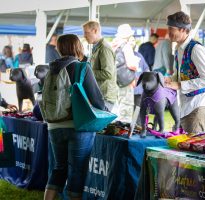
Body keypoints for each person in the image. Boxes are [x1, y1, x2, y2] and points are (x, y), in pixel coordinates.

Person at [43, 34, 107, 200]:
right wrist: (106, 114)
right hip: (77, 126)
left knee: (58, 168)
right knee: (77, 170)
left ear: (60, 49)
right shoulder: (81, 67)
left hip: (54, 125)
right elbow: (97, 98)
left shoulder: (51, 68)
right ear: (78, 47)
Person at [165, 11, 205, 134]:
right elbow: (179, 73)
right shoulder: (178, 49)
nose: (168, 32)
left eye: (171, 28)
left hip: (199, 107)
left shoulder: (196, 49)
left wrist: (180, 85)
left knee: (193, 149)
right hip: (185, 107)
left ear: (182, 30)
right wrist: (171, 79)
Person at [82, 20, 118, 112]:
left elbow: (108, 73)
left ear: (95, 31)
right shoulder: (97, 47)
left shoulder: (104, 48)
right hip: (99, 95)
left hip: (104, 97)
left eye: (86, 33)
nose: (84, 36)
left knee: (99, 126)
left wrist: (87, 72)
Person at [111, 24, 140, 123]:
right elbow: (132, 64)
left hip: (115, 80)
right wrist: (136, 63)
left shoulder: (113, 46)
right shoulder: (126, 46)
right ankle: (123, 129)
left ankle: (114, 129)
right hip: (126, 82)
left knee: (116, 107)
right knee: (126, 107)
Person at [129, 36, 150, 126]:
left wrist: (147, 79)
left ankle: (140, 127)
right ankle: (133, 127)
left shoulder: (138, 55)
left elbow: (146, 68)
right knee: (131, 111)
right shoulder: (122, 56)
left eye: (133, 40)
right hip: (128, 90)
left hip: (139, 89)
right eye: (130, 40)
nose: (132, 42)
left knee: (140, 109)